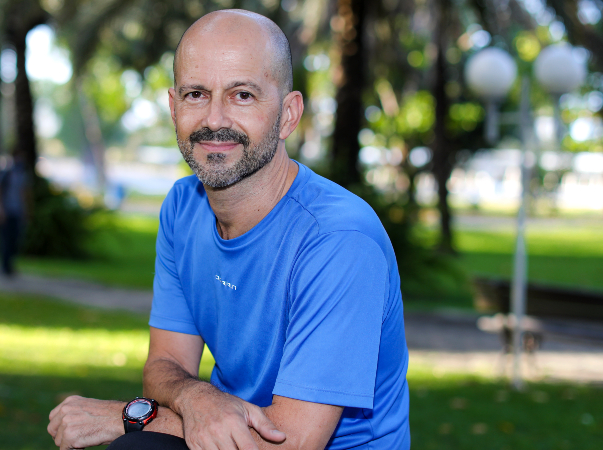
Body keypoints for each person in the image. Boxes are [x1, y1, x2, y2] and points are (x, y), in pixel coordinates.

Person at [48, 9, 409, 450]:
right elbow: (163, 366)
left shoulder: (338, 241)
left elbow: (289, 443)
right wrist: (195, 396)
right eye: (197, 94)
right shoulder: (183, 208)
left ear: (288, 115)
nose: (214, 119)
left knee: (137, 443)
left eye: (242, 95)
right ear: (173, 106)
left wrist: (124, 417)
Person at [0, 151, 30, 276]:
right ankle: (5, 265)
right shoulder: (2, 173)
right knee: (5, 238)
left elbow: (25, 193)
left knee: (15, 238)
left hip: (17, 210)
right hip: (6, 210)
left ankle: (9, 264)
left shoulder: (21, 173)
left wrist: (26, 210)